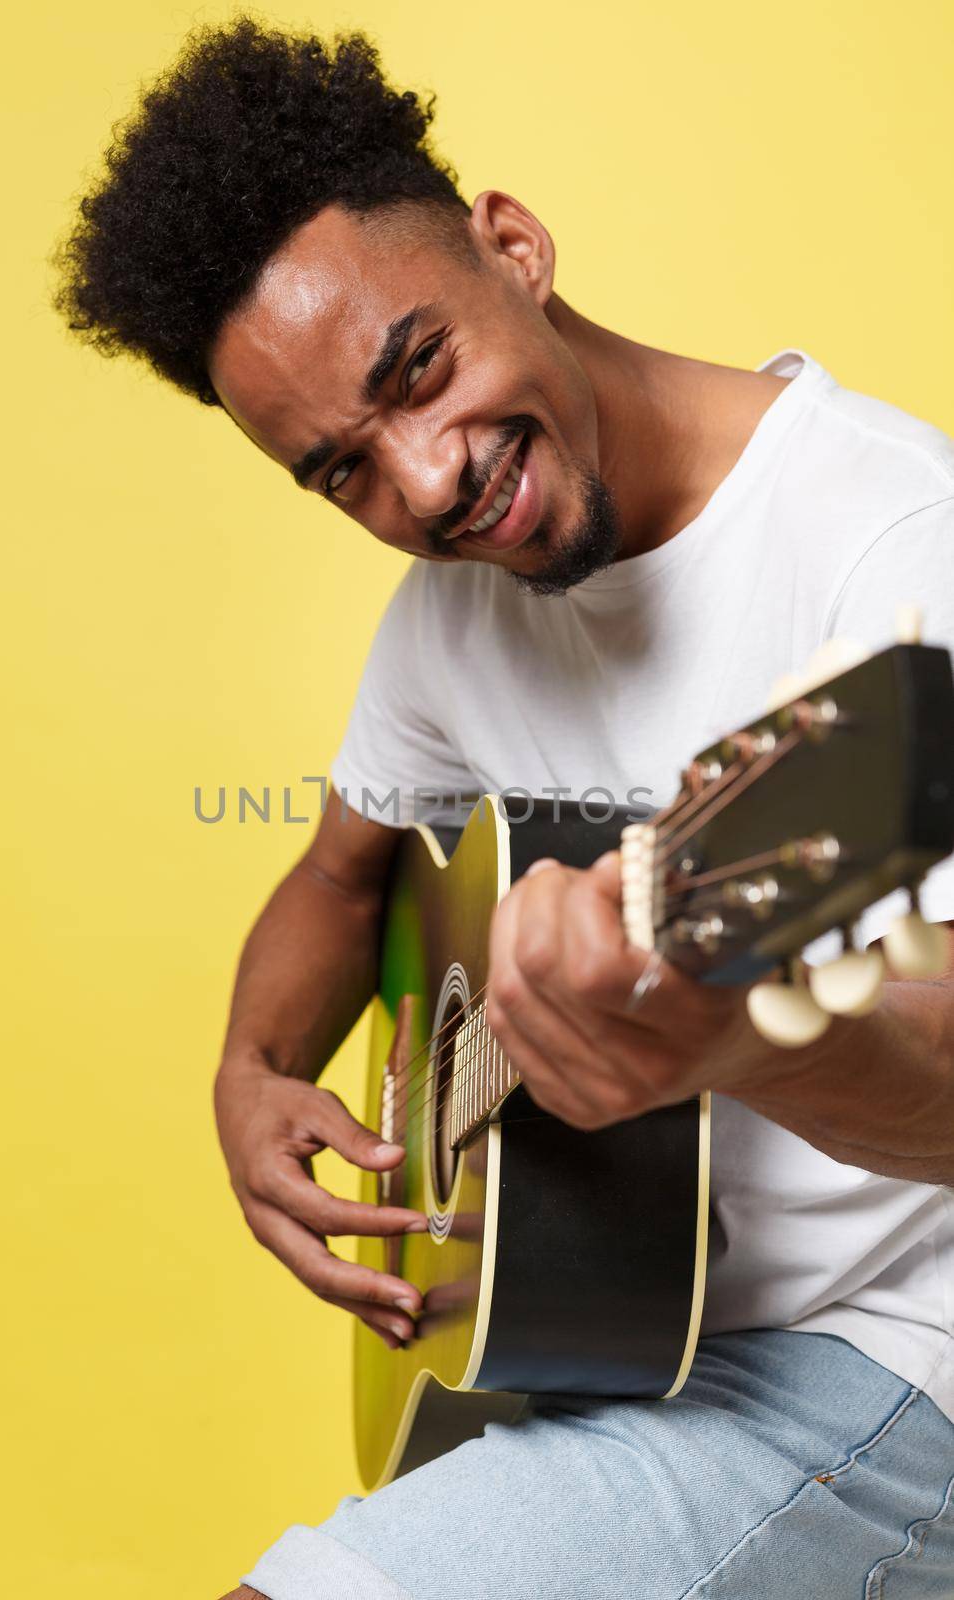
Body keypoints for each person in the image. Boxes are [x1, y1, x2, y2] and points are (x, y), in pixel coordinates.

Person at [55, 18, 954, 1597]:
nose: (425, 482)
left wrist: (734, 1041)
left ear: (515, 247)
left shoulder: (894, 553)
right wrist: (250, 1070)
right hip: (613, 1348)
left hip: (889, 1355)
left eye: (420, 370)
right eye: (343, 471)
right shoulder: (451, 616)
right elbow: (340, 879)